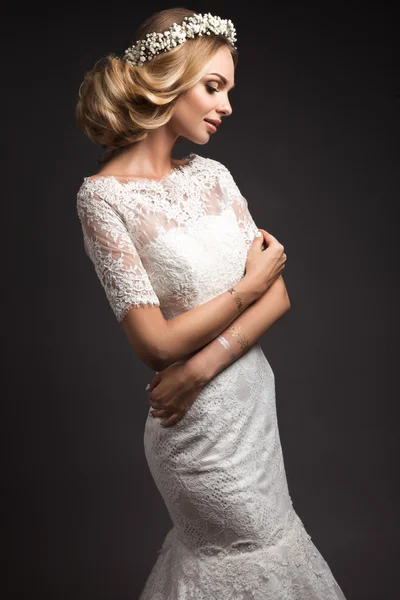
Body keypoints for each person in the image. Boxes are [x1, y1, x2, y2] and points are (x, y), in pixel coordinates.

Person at [75, 8, 348, 599]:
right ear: (166, 80)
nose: (226, 105)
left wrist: (199, 365)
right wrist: (246, 290)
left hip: (250, 408)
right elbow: (155, 344)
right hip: (196, 434)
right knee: (244, 559)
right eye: (213, 87)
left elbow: (280, 295)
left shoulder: (215, 177)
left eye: (228, 90)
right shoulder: (102, 198)